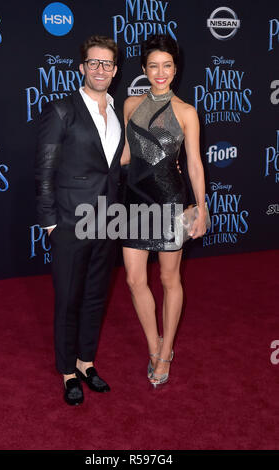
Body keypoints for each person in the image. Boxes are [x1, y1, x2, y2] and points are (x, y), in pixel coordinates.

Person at [35, 35, 124, 405]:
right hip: (71, 221)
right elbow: (44, 170)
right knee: (69, 299)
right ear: (82, 67)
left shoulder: (117, 112)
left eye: (107, 64)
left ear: (115, 71)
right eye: (94, 63)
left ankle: (86, 363)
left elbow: (113, 166)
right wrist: (50, 223)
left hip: (108, 220)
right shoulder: (61, 110)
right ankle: (67, 371)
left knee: (94, 297)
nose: (100, 69)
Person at [120, 35, 207, 387]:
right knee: (133, 279)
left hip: (171, 202)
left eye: (167, 65)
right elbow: (125, 155)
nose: (160, 72)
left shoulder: (186, 112)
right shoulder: (129, 105)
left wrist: (201, 209)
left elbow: (195, 165)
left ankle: (166, 350)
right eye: (153, 65)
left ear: (175, 69)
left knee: (170, 279)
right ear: (143, 69)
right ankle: (152, 343)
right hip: (134, 200)